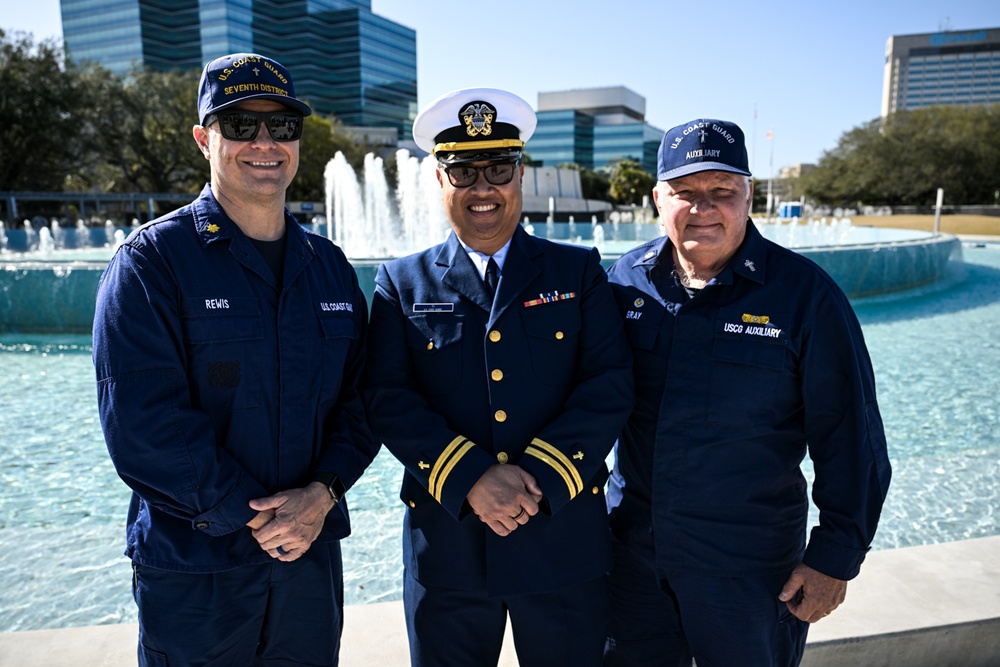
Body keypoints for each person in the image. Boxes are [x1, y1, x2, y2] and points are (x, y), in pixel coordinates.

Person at [92, 52, 379, 666]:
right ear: (204, 139)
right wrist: (266, 520)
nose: (265, 143)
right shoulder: (151, 263)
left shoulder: (328, 267)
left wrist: (322, 496)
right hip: (197, 569)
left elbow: (362, 401)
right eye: (240, 125)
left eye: (282, 126)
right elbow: (144, 426)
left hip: (308, 563)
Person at [603, 119, 892, 667]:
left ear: (749, 195)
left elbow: (850, 438)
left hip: (750, 570)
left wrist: (834, 558)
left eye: (722, 192)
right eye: (684, 192)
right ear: (658, 199)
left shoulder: (805, 296)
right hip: (634, 561)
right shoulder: (625, 282)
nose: (702, 207)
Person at [362, 87, 634, 667]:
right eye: (463, 171)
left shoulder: (578, 270)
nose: (482, 187)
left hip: (560, 536)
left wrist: (533, 482)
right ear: (439, 181)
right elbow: (387, 398)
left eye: (499, 168)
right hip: (449, 546)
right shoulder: (401, 283)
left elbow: (608, 384)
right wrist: (472, 480)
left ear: (521, 175)